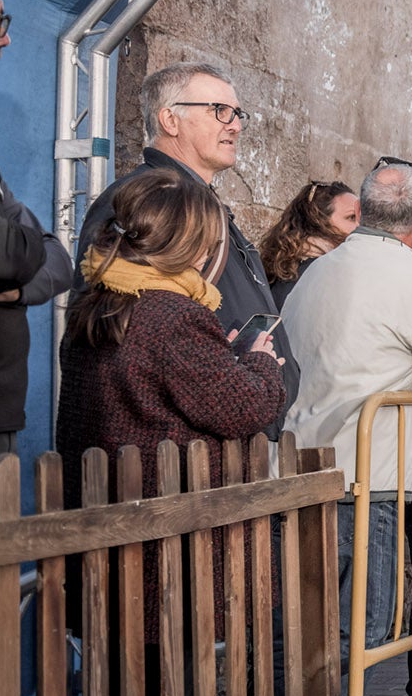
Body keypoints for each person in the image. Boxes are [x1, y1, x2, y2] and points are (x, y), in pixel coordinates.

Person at [57, 167, 289, 696]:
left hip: (117, 522)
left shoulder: (101, 301)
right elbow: (239, 407)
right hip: (165, 535)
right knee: (161, 691)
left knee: (144, 687)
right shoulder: (169, 314)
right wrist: (261, 365)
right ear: (189, 243)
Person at [281, 159, 412, 696]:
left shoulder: (317, 270)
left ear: (363, 211)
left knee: (299, 622)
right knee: (358, 624)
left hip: (301, 459)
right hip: (370, 470)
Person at [81, 61, 296, 429]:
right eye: (220, 111)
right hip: (175, 436)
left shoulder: (201, 202)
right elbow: (120, 326)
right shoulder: (137, 200)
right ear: (170, 119)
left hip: (226, 419)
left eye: (237, 113)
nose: (235, 124)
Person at [0, 0, 73, 468]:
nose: (7, 37)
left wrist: (17, 287)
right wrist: (21, 246)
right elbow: (9, 250)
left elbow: (57, 258)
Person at [259, 179, 359, 305]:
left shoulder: (289, 269)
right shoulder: (323, 273)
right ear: (318, 222)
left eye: (362, 219)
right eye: (352, 217)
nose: (361, 226)